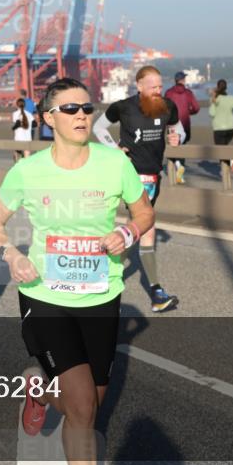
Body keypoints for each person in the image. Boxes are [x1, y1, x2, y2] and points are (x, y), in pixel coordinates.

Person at [0, 77, 153, 465]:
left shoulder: (115, 164)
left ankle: (39, 389)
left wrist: (127, 233)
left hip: (100, 296)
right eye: (70, 109)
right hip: (45, 295)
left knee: (90, 405)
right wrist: (9, 254)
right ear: (48, 118)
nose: (81, 115)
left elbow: (144, 213)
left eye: (86, 108)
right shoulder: (28, 170)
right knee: (80, 406)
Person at [93, 65, 181, 313]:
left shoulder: (167, 106)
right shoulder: (123, 107)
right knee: (145, 225)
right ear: (139, 86)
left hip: (153, 175)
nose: (157, 91)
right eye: (153, 87)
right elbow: (99, 128)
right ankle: (153, 291)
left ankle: (108, 278)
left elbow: (177, 129)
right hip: (128, 173)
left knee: (142, 227)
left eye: (160, 86)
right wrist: (113, 149)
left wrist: (177, 137)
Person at [164, 71, 200, 184]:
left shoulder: (168, 93)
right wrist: (189, 112)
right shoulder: (188, 93)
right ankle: (180, 170)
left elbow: (164, 108)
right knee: (182, 147)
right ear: (183, 80)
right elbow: (196, 108)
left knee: (174, 146)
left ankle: (176, 166)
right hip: (185, 124)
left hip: (172, 125)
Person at [209, 79, 233, 172]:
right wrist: (232, 109)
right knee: (224, 148)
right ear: (226, 87)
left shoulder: (215, 99)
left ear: (217, 87)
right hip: (231, 129)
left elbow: (211, 113)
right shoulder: (232, 98)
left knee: (220, 151)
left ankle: (231, 161)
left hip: (219, 129)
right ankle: (227, 170)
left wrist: (213, 102)